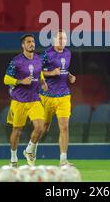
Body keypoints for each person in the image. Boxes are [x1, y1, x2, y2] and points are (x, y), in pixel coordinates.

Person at [3, 34, 48, 167]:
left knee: (40, 127)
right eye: (28, 42)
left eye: (33, 42)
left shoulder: (39, 59)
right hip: (19, 101)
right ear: (23, 45)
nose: (31, 44)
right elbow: (6, 79)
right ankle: (13, 158)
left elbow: (38, 72)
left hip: (34, 99)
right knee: (17, 131)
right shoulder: (16, 61)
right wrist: (21, 81)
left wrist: (43, 81)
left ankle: (29, 150)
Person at [39, 30, 76, 166]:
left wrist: (70, 76)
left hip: (64, 95)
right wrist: (51, 73)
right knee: (43, 128)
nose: (63, 41)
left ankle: (63, 160)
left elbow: (64, 69)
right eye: (60, 39)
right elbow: (38, 71)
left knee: (64, 127)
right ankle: (31, 148)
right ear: (54, 40)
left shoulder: (68, 53)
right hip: (47, 96)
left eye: (65, 39)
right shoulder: (47, 54)